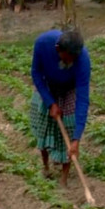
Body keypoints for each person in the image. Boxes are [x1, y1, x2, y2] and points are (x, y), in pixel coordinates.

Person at [29, 29, 91, 187]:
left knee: (69, 129)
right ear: (58, 50)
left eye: (74, 59)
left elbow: (83, 99)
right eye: (68, 58)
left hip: (69, 88)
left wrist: (76, 138)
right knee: (44, 125)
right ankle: (46, 167)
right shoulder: (43, 43)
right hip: (48, 85)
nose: (72, 62)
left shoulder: (82, 59)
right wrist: (50, 103)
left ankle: (64, 178)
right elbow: (36, 73)